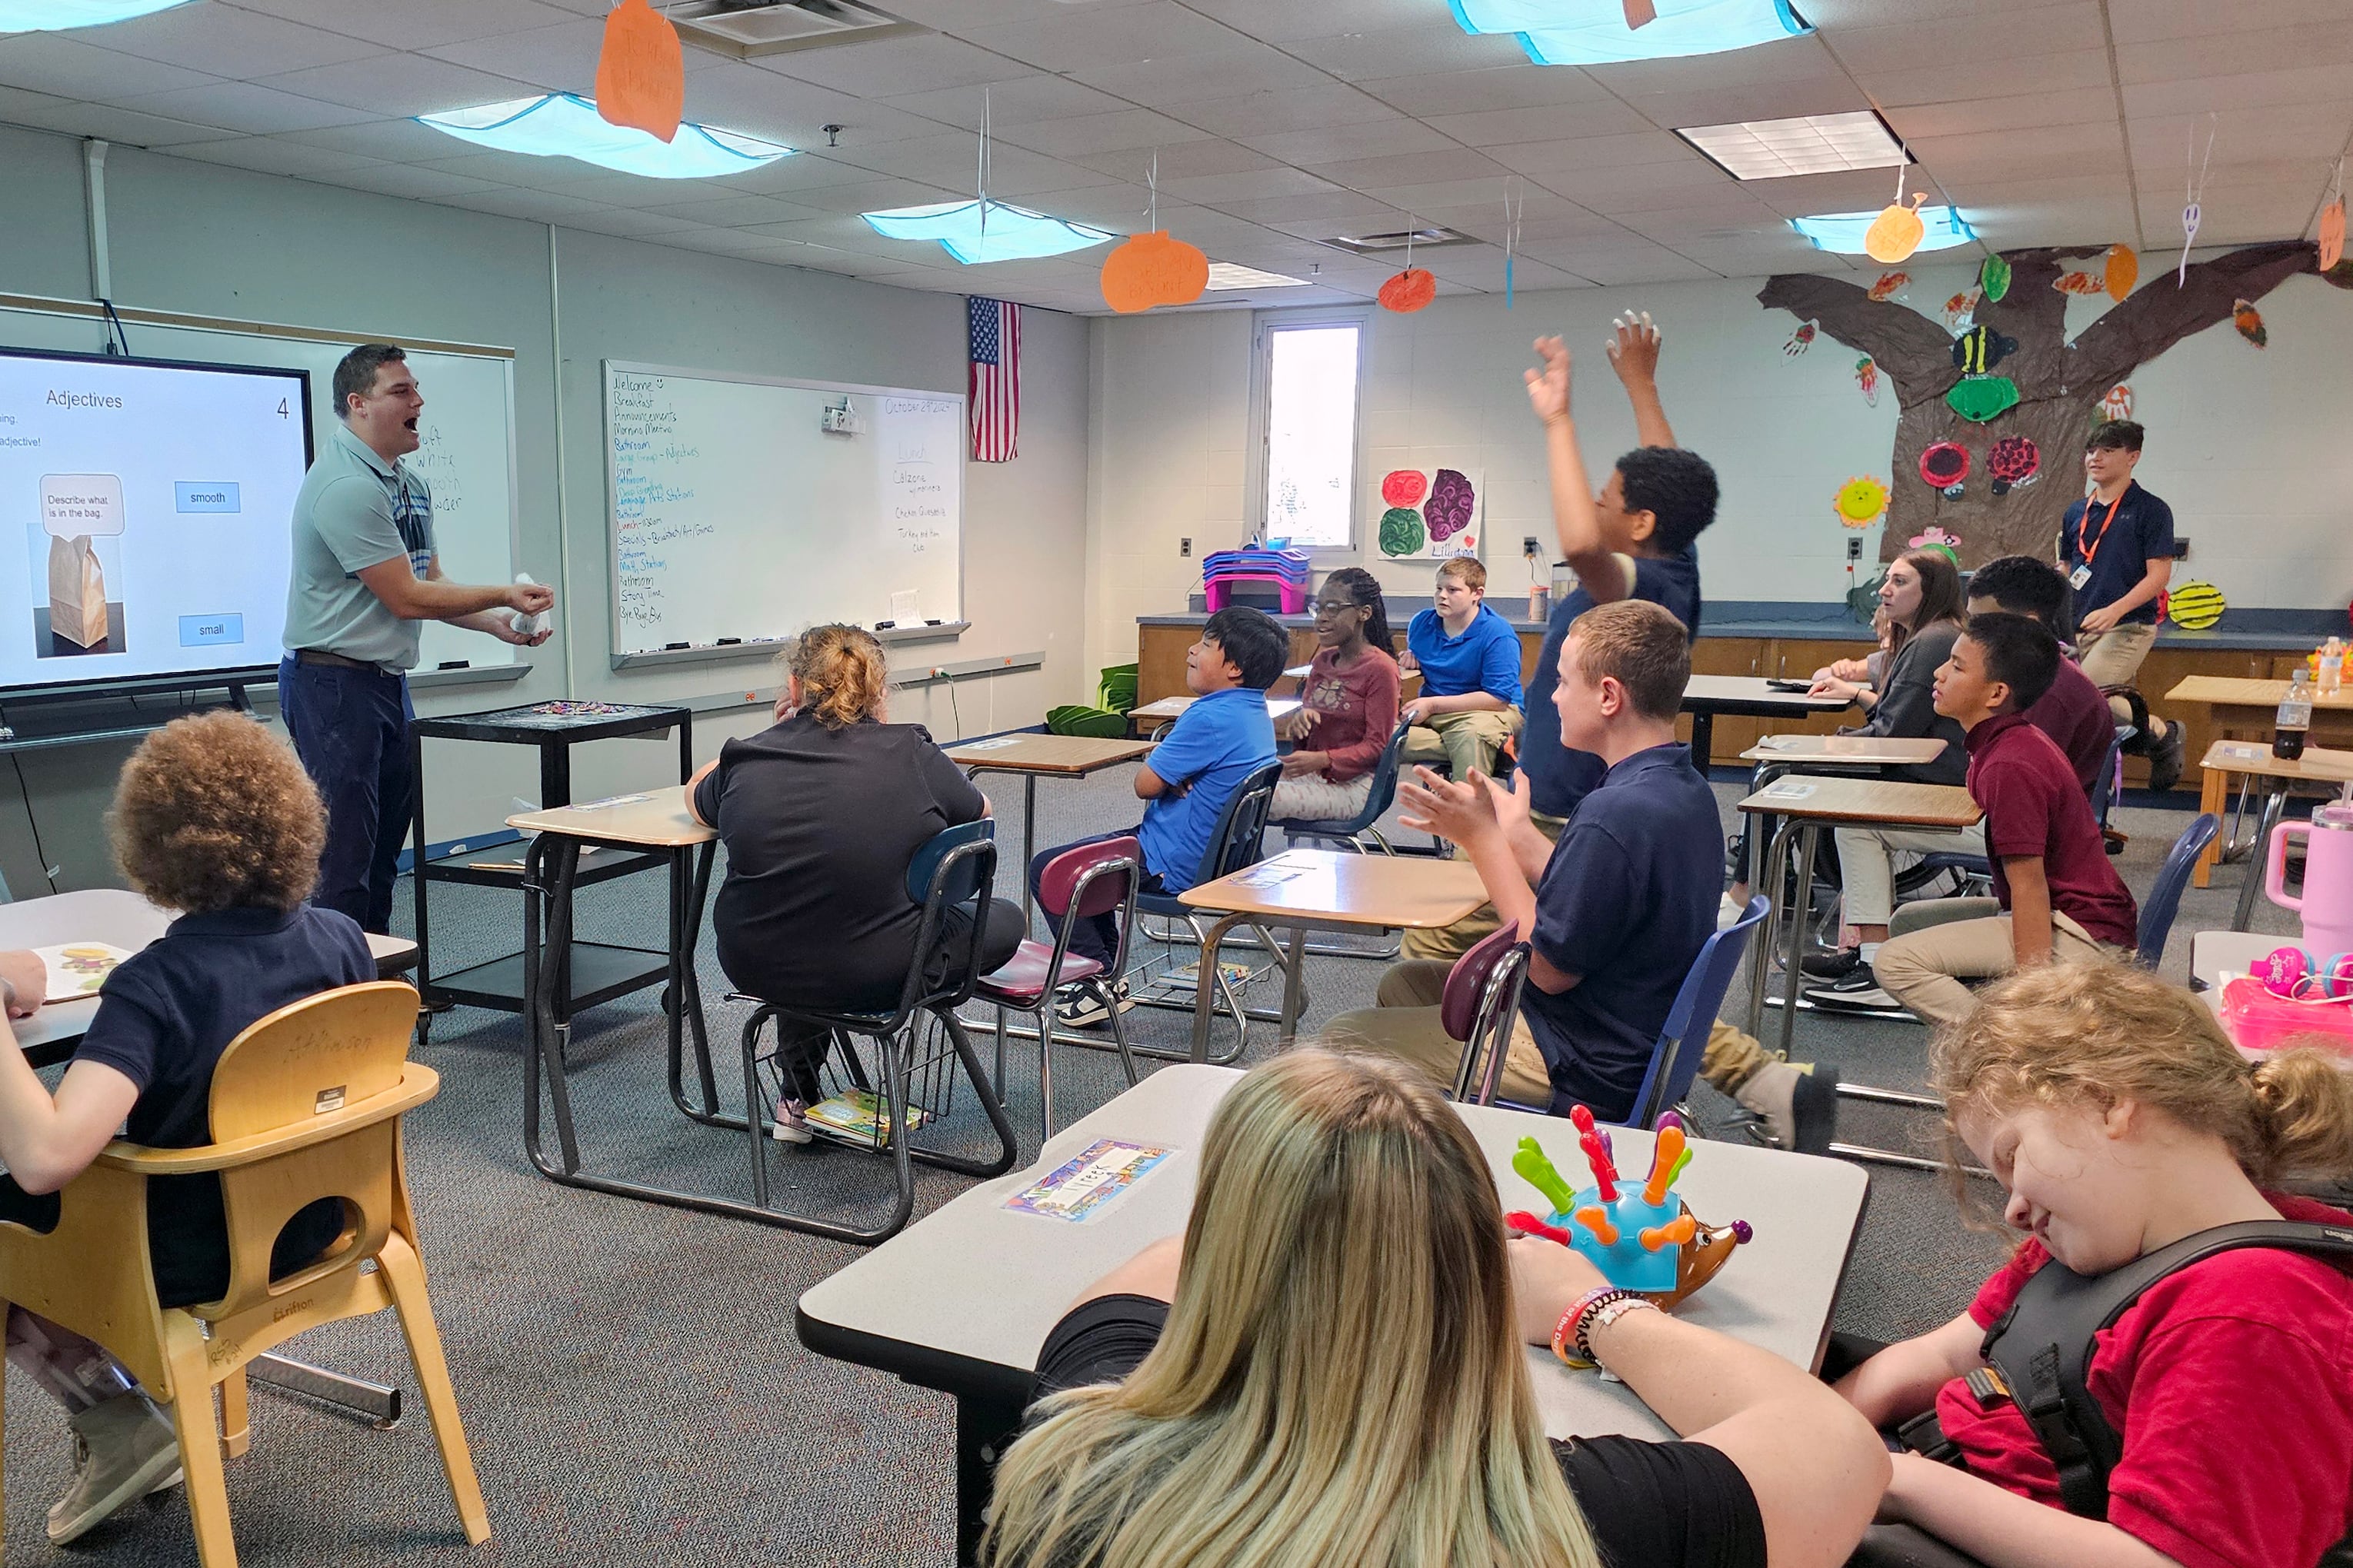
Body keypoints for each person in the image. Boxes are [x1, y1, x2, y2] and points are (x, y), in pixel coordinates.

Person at [985, 1048, 1888, 1568]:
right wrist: (1590, 1306)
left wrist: (1318, 1215)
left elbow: (1159, 1270)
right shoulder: (1552, 1519)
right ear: (1464, 1287)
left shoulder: (1084, 1447)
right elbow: (1837, 1454)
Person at [1836, 960, 2353, 1568]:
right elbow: (1945, 1354)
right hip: (1929, 1468)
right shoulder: (2106, 1235)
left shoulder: (2249, 1320)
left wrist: (1900, 1484)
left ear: (2106, 1102)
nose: (2013, 1208)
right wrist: (1819, 1423)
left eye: (2011, 1155)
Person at [0, 713, 374, 1545]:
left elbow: (46, 1159)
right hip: (326, 1225)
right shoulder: (343, 940)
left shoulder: (156, 986)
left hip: (196, 1254)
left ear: (148, 850)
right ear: (294, 820)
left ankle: (116, 1418)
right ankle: (133, 1417)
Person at [1329, 599, 1720, 1123]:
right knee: (1402, 983)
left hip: (1581, 1056)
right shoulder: (1680, 787)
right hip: (1623, 1028)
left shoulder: (1615, 812)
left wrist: (1485, 841)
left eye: (1560, 682)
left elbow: (1547, 970)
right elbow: (1607, 890)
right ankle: (1417, 1128)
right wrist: (1516, 833)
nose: (1551, 698)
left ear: (1608, 696)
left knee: (1342, 1038)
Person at [1403, 315, 1715, 967]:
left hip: (1561, 808)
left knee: (1443, 946)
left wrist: (1558, 423)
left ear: (1638, 522)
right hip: (1554, 793)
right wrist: (1640, 386)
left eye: (1606, 499)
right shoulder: (1674, 565)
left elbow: (1578, 543)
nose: (1595, 507)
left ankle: (1485, 1052)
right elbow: (1667, 480)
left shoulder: (1638, 584)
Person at [688, 625, 1022, 1142]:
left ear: (795, 688)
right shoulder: (908, 748)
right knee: (1004, 918)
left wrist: (760, 736)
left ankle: (795, 1101)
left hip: (757, 963)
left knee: (813, 918)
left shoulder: (746, 757)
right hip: (877, 969)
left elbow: (696, 796)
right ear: (878, 690)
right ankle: (814, 1093)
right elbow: (979, 811)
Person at [279, 343, 554, 934]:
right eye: (401, 391)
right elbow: (404, 597)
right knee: (344, 856)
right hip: (332, 687)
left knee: (382, 851)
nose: (418, 401)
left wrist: (496, 625)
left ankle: (378, 979)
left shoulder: (408, 484)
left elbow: (429, 580)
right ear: (357, 404)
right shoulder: (346, 487)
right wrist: (504, 594)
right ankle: (336, 993)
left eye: (415, 389)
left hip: (383, 685)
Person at [1866, 614, 2138, 1027]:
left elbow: (2030, 887)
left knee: (1895, 962)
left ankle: (2011, 1044)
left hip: (2084, 933)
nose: (1939, 673)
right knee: (1906, 922)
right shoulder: (2003, 741)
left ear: (1996, 693)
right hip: (2072, 911)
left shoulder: (2009, 764)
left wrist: (2034, 994)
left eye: (1957, 666)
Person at [1029, 606, 1284, 1029]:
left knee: (1052, 869)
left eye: (1205, 644)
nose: (1191, 650)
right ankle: (1105, 975)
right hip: (1214, 858)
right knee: (1085, 861)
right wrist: (1177, 773)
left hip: (1172, 864)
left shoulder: (1206, 716)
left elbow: (1144, 785)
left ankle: (1095, 977)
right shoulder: (1255, 712)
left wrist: (1167, 773)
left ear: (1234, 667)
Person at [1798, 549, 1972, 1010]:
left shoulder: (1935, 639)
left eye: (1898, 581)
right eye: (1886, 580)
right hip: (1935, 773)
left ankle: (1870, 961)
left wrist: (1835, 742)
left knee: (1819, 794)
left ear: (1928, 590)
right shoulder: (1931, 635)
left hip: (1939, 783)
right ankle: (1864, 952)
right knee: (1815, 787)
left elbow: (1895, 733)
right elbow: (1897, 720)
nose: (1884, 590)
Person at [2059, 420, 2185, 791]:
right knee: (2091, 707)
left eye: (2108, 450)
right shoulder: (2075, 512)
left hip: (2128, 626)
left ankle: (2159, 734)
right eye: (2091, 450)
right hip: (2078, 625)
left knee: (2086, 696)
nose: (2095, 458)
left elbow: (2158, 576)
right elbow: (2069, 567)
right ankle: (2160, 736)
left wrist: (2115, 609)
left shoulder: (2151, 510)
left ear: (2133, 457)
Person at [1964, 554, 2116, 792]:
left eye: (1984, 622)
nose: (1972, 633)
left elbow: (2015, 779)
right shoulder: (2035, 670)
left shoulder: (2047, 690)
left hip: (2036, 816)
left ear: (2029, 623)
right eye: (1971, 620)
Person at [1270, 567, 1400, 824]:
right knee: (1232, 785)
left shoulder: (1380, 669)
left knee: (1253, 799)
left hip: (1355, 786)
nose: (1321, 618)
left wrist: (1324, 759)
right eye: (1318, 608)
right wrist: (1300, 724)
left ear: (1364, 613)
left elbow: (1378, 747)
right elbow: (1306, 741)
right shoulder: (1323, 662)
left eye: (1333, 608)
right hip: (1315, 775)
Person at [1398, 555, 1522, 780]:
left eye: (1453, 590)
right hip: (1438, 712)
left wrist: (1433, 704)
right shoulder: (1421, 624)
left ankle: (1466, 810)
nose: (1442, 596)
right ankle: (1493, 748)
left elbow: (1497, 699)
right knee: (1384, 739)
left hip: (1489, 710)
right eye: (1438, 588)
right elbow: (1422, 659)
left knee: (1473, 735)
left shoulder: (1499, 634)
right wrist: (1408, 659)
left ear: (1477, 594)